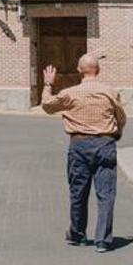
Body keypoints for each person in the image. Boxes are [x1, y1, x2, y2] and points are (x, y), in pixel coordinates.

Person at [40, 54, 126, 253]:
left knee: (78, 191)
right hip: (105, 144)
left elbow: (47, 106)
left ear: (79, 70)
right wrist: (116, 134)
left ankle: (78, 234)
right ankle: (103, 240)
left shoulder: (70, 93)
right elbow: (121, 117)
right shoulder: (110, 93)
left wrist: (47, 84)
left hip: (79, 146)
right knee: (106, 193)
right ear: (99, 70)